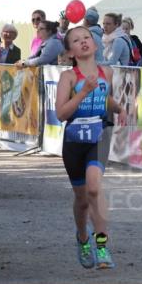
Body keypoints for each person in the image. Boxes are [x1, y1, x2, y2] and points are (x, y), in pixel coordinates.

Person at [55, 26, 122, 270]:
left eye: (87, 38)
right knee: (82, 200)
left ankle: (102, 245)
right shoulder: (68, 77)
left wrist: (121, 109)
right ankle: (83, 237)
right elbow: (61, 113)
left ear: (95, 45)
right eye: (76, 40)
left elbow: (106, 99)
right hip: (73, 142)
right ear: (70, 51)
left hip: (99, 135)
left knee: (94, 188)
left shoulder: (107, 72)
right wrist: (83, 92)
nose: (83, 42)